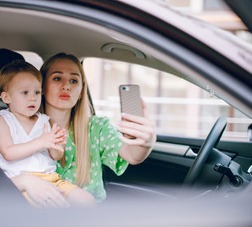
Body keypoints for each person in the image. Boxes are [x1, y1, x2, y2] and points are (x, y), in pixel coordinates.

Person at [10, 53, 156, 207]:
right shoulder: (17, 128)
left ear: (80, 92)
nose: (66, 86)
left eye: (74, 80)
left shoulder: (96, 128)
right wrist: (25, 181)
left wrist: (145, 142)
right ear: (42, 87)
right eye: (57, 78)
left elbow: (131, 155)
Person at [0, 60, 95, 207]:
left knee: (86, 200)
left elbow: (55, 156)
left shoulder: (43, 120)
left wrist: (56, 147)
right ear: (7, 97)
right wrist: (41, 142)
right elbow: (8, 153)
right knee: (46, 209)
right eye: (25, 92)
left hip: (52, 179)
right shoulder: (2, 121)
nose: (33, 97)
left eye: (37, 92)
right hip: (18, 183)